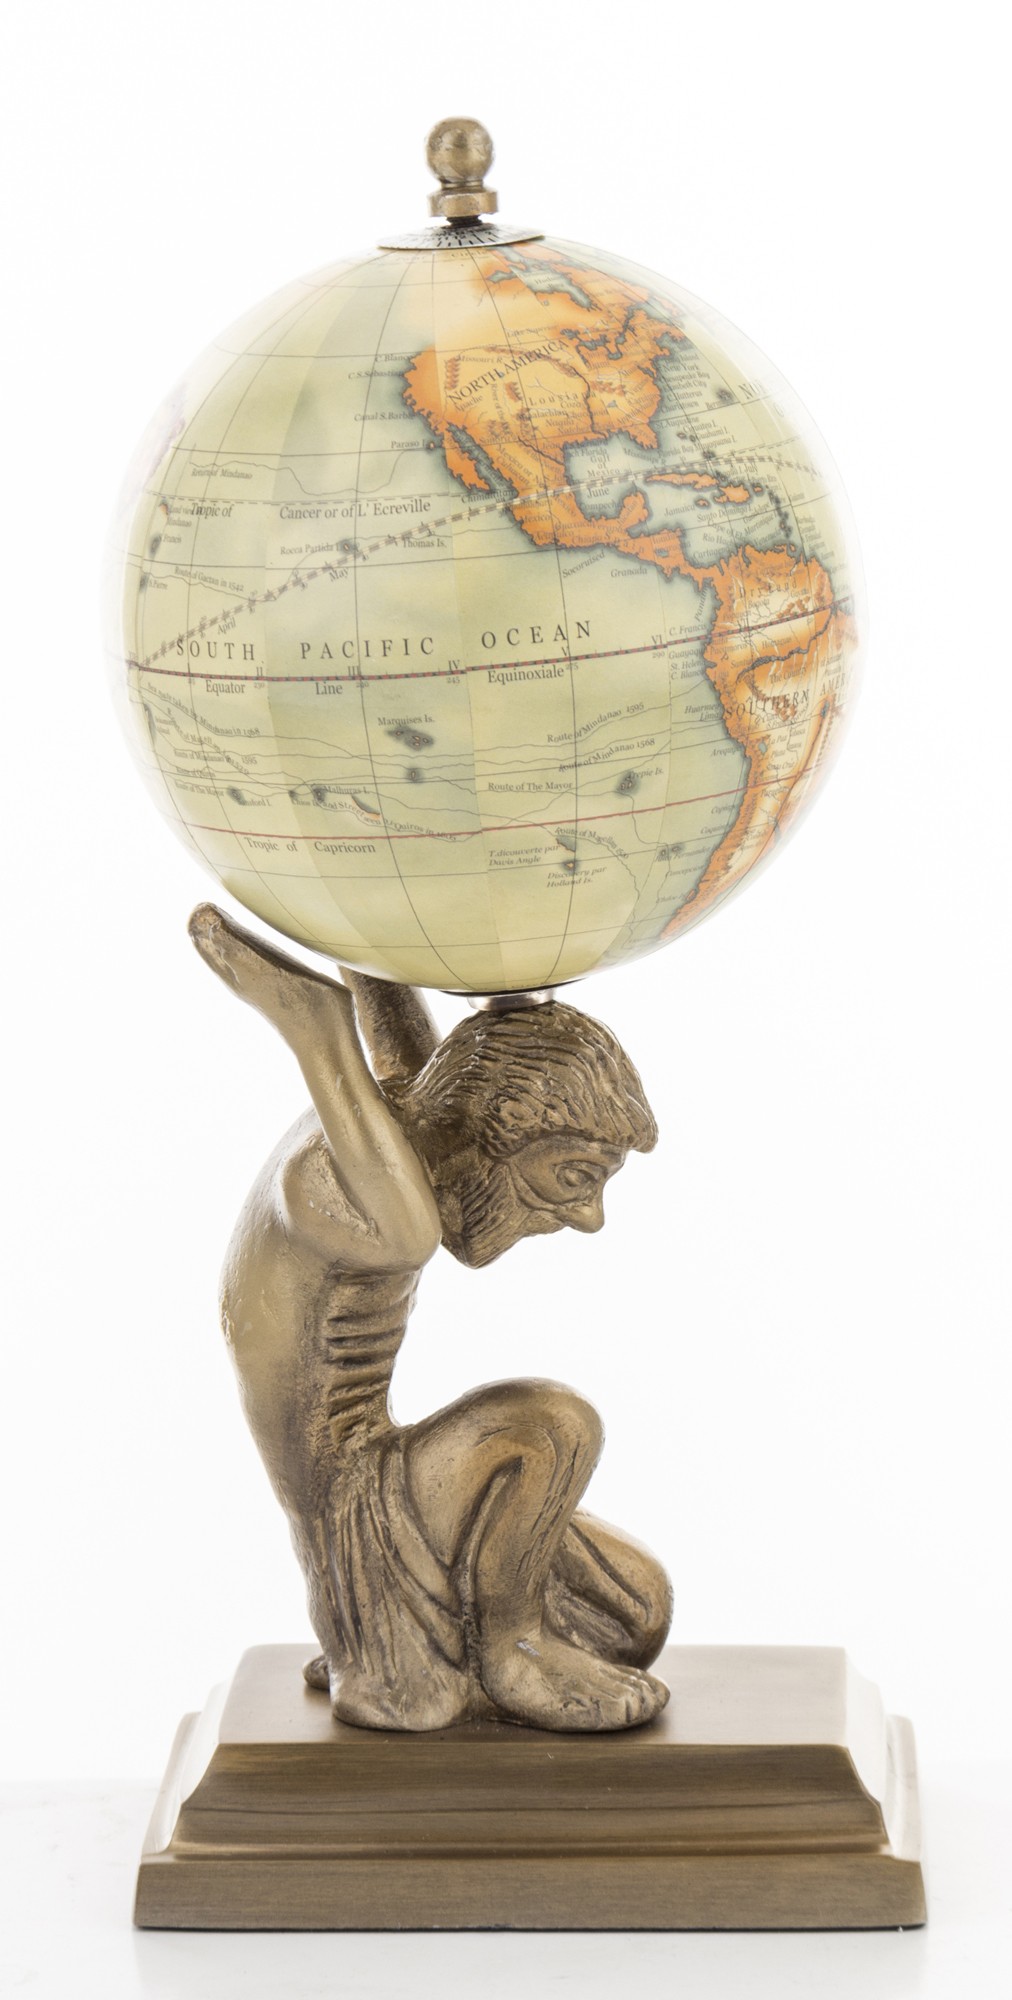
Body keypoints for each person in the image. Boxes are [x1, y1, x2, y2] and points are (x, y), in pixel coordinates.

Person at [190, 903, 672, 1732]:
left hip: (382, 1474)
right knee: (554, 1426)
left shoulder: (405, 1128)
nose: (589, 1218)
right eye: (573, 1177)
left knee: (637, 1611)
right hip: (354, 1499)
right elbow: (325, 1025)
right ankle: (511, 1650)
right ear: (498, 1135)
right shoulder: (395, 1212)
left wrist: (357, 915)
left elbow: (391, 1023)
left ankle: (503, 1631)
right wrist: (299, 998)